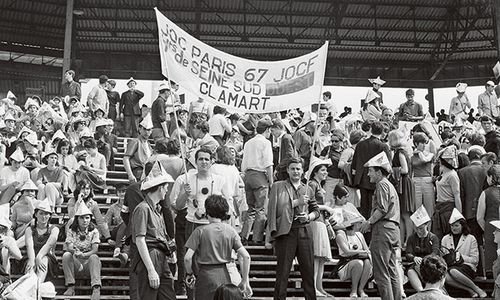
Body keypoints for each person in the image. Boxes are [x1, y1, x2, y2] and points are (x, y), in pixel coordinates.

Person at [267, 156, 319, 300]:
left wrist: (309, 217)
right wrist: (297, 202)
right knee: (283, 273)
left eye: (298, 169)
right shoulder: (278, 186)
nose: (295, 171)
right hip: (286, 232)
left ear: (303, 171)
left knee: (308, 272)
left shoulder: (308, 188)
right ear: (288, 171)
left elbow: (316, 210)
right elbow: (276, 209)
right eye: (293, 169)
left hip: (304, 231)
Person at [185, 195, 252, 300]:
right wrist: (244, 281)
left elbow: (187, 258)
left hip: (205, 276)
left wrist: (189, 274)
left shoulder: (199, 231)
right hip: (224, 274)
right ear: (224, 212)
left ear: (207, 212)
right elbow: (246, 256)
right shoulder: (230, 231)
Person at [359, 152, 402, 300]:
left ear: (378, 171)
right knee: (391, 270)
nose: (368, 174)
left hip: (383, 230)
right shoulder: (388, 185)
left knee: (381, 272)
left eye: (370, 170)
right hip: (392, 230)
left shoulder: (382, 184)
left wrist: (368, 222)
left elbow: (382, 209)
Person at [131, 161, 176, 299]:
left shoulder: (157, 210)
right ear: (160, 187)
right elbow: (140, 240)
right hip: (150, 256)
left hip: (161, 255)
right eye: (166, 187)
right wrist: (151, 269)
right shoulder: (143, 209)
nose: (167, 190)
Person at [240, 118, 274, 245]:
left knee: (251, 208)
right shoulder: (265, 142)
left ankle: (244, 235)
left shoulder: (248, 142)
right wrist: (271, 181)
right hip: (260, 176)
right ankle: (257, 238)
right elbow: (268, 163)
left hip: (248, 175)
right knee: (261, 209)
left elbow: (243, 163)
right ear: (267, 129)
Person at [306, 157, 335, 297]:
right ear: (315, 172)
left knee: (321, 258)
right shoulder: (312, 184)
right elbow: (310, 204)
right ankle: (313, 287)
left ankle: (319, 286)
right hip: (315, 222)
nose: (325, 173)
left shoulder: (318, 185)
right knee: (316, 256)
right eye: (322, 170)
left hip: (322, 221)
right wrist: (326, 207)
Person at [441, 209, 487, 298]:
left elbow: (475, 260)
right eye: (452, 226)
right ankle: (470, 290)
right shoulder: (445, 238)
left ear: (463, 226)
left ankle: (476, 289)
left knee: (453, 271)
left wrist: (461, 257)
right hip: (450, 267)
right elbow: (442, 256)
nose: (453, 228)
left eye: (456, 226)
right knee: (445, 276)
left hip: (467, 267)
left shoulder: (471, 238)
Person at [62, 202, 102, 300]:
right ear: (77, 219)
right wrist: (76, 253)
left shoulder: (94, 231)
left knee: (94, 257)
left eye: (87, 218)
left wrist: (83, 255)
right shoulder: (71, 231)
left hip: (89, 264)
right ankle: (70, 286)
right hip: (76, 263)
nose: (85, 220)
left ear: (90, 219)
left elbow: (95, 250)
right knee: (66, 255)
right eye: (82, 218)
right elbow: (69, 247)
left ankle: (96, 288)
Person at [351, 121, 391, 219]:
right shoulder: (383, 146)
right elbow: (388, 166)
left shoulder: (360, 144)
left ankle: (364, 231)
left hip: (362, 180)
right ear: (382, 132)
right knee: (374, 206)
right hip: (376, 180)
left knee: (364, 207)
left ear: (371, 130)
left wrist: (354, 178)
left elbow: (354, 164)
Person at [334, 209, 371, 298]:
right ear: (352, 224)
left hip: (361, 263)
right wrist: (361, 252)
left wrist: (364, 252)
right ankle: (353, 290)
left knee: (367, 262)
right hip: (345, 264)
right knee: (358, 263)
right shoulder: (340, 235)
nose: (360, 224)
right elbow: (347, 252)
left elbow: (367, 250)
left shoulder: (359, 235)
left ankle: (361, 289)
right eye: (358, 222)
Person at [388, 129, 415, 247]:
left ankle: (408, 240)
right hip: (404, 183)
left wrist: (392, 170)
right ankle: (403, 241)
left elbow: (405, 169)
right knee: (403, 214)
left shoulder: (399, 153)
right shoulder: (403, 151)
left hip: (403, 184)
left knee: (405, 214)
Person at [406, 205, 440, 292]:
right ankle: (421, 291)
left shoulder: (433, 237)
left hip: (431, 265)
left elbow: (435, 252)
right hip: (416, 265)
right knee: (410, 272)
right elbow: (408, 253)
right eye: (416, 229)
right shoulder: (411, 238)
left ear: (427, 225)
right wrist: (414, 258)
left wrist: (425, 260)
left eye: (421, 228)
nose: (418, 231)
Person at [24, 199, 59, 284]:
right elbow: (29, 246)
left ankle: (37, 287)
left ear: (50, 215)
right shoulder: (29, 229)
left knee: (44, 260)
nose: (44, 217)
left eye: (46, 214)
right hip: (31, 255)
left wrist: (39, 257)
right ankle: (30, 287)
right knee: (30, 265)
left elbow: (49, 244)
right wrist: (32, 259)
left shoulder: (54, 229)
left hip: (47, 257)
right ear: (36, 214)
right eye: (41, 213)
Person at [432, 146, 461, 239]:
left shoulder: (452, 175)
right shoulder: (443, 173)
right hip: (439, 207)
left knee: (448, 236)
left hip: (448, 208)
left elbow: (457, 195)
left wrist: (459, 215)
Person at [476, 164, 500, 275]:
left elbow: (479, 217)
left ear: (490, 177)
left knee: (492, 261)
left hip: (491, 229)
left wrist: (486, 231)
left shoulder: (486, 193)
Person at [411, 132, 435, 218]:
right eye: (422, 143)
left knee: (429, 209)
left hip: (427, 181)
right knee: (417, 210)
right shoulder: (412, 157)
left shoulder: (429, 154)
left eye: (425, 143)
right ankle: (418, 230)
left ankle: (428, 230)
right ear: (416, 143)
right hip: (416, 181)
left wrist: (419, 152)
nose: (424, 145)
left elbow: (424, 159)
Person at [123, 114, 154, 182]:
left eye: (149, 130)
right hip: (138, 172)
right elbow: (126, 158)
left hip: (147, 172)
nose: (146, 132)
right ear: (140, 129)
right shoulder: (135, 141)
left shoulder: (149, 145)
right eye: (144, 129)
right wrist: (130, 174)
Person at [11, 180, 38, 248]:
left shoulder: (40, 204)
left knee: (33, 222)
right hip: (21, 230)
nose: (29, 193)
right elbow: (13, 222)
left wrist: (30, 203)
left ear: (35, 193)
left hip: (35, 231)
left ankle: (13, 247)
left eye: (32, 191)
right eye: (27, 191)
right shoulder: (17, 205)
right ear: (23, 193)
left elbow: (37, 218)